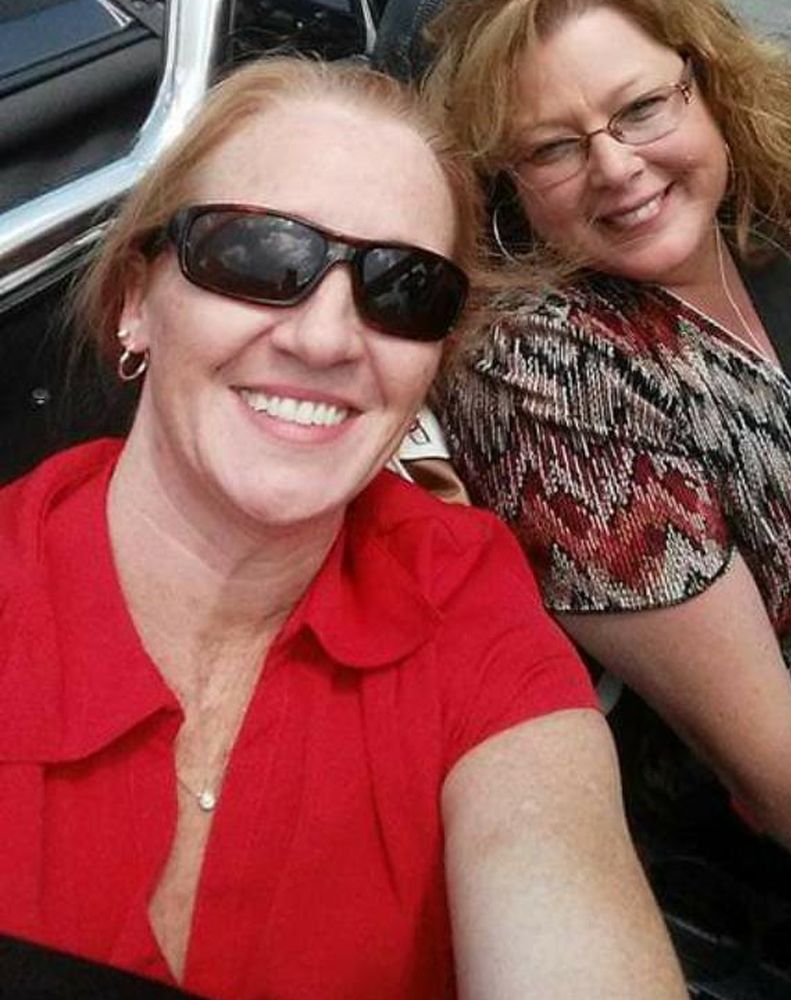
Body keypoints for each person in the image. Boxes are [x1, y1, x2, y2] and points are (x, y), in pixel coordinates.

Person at [0, 56, 686, 1000]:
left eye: (404, 289)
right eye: (256, 257)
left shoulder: (461, 596)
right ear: (134, 301)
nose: (325, 339)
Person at [422, 0, 791, 986]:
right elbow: (773, 759)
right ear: (507, 181)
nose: (616, 167)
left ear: (706, 85)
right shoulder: (547, 370)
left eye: (641, 107)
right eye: (553, 147)